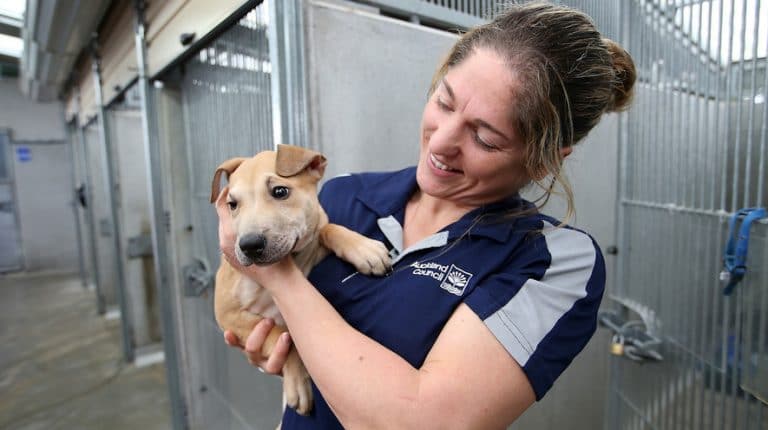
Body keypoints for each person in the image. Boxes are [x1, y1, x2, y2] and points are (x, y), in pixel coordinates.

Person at [217, 2, 636, 428]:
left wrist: (277, 275)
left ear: (544, 160)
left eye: (485, 138)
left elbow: (423, 422)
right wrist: (277, 347)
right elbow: (285, 332)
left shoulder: (551, 260)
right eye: (445, 103)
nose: (441, 143)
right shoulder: (344, 197)